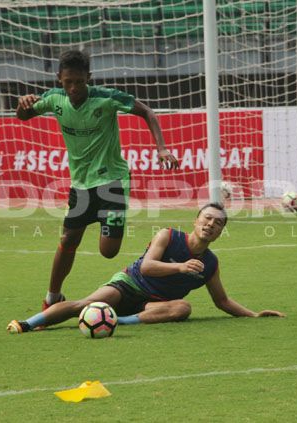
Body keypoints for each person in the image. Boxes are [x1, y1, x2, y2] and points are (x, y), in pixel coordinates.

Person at [16, 49, 179, 310]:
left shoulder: (106, 97)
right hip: (80, 185)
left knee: (108, 251)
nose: (73, 88)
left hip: (112, 182)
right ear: (59, 78)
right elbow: (23, 116)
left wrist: (161, 148)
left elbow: (147, 112)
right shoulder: (53, 98)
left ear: (88, 78)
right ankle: (52, 297)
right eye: (68, 82)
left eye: (79, 82)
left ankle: (140, 275)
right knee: (69, 240)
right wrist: (22, 104)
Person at [7, 203, 285, 334]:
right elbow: (149, 267)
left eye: (217, 223)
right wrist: (180, 269)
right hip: (129, 285)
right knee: (87, 303)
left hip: (153, 305)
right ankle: (28, 323)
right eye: (207, 218)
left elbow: (221, 301)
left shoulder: (210, 263)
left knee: (183, 309)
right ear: (195, 220)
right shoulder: (168, 235)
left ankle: (120, 321)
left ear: (221, 232)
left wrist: (254, 315)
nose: (211, 224)